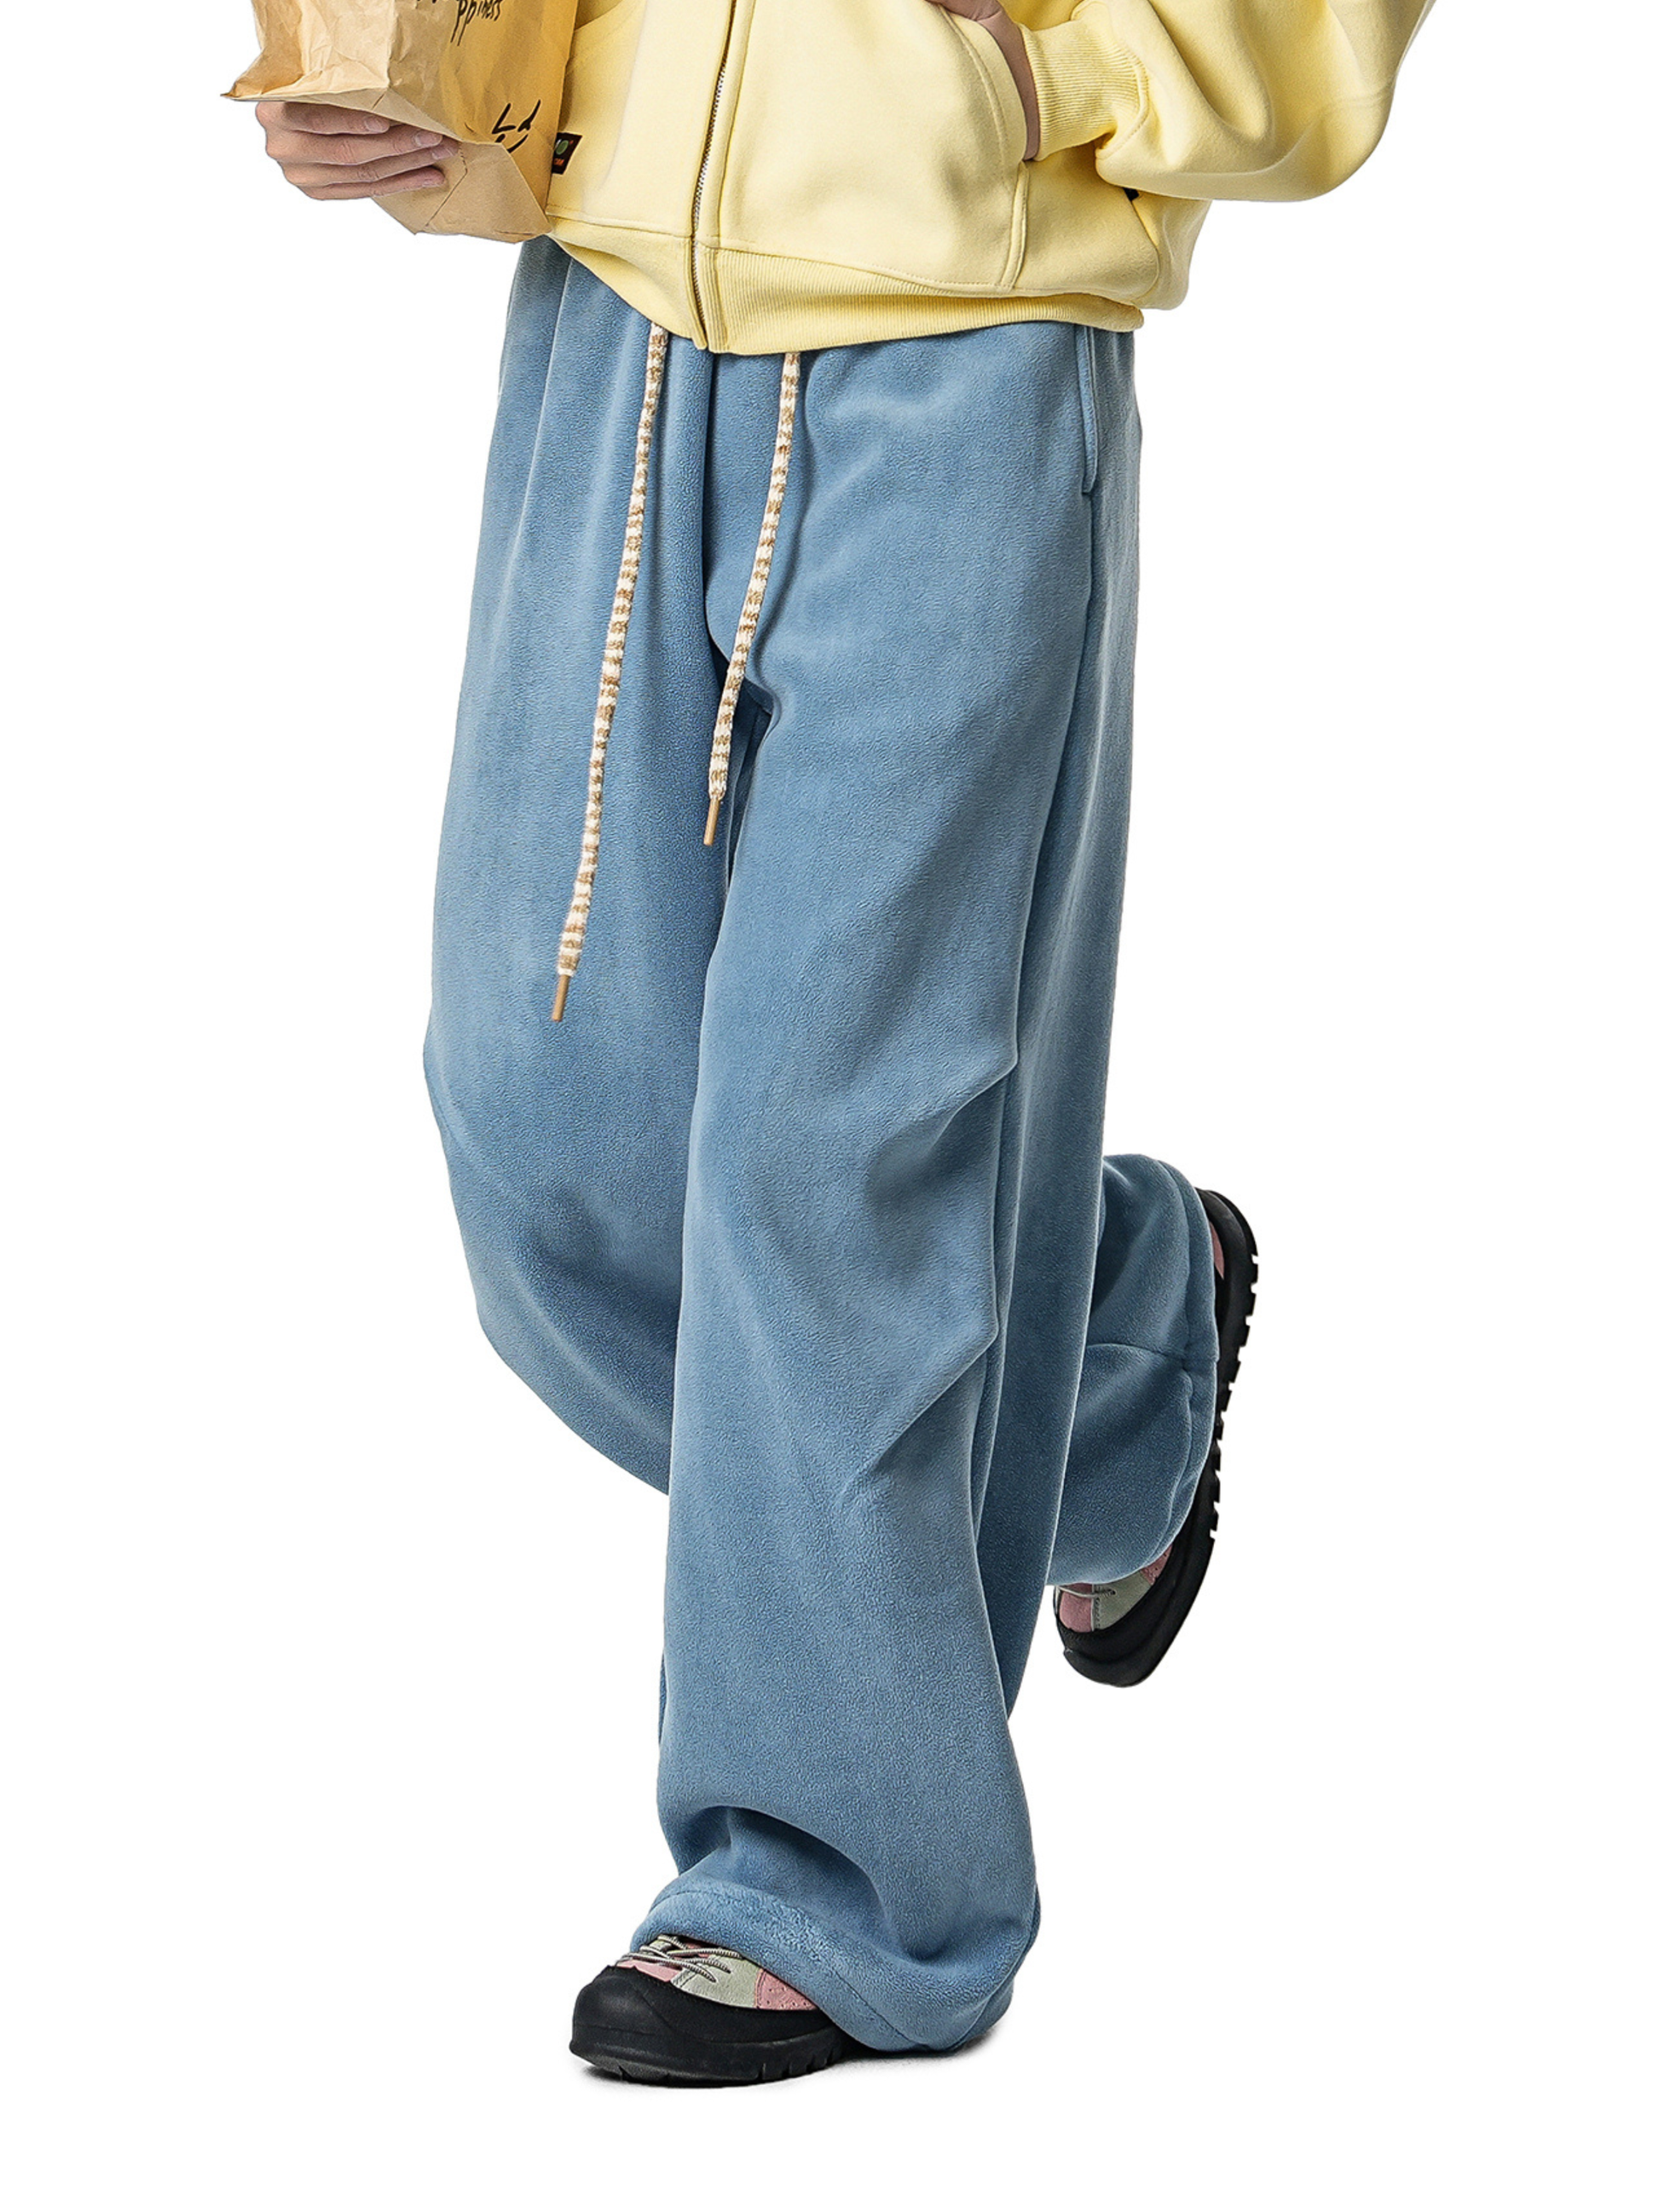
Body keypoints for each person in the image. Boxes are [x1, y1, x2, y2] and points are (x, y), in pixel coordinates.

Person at [256, 0, 1430, 2086]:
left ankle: (835, 1879)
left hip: (963, 340)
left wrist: (1058, 76)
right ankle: (1118, 1334)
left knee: (828, 1169)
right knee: (548, 1136)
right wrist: (425, 98)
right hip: (607, 326)